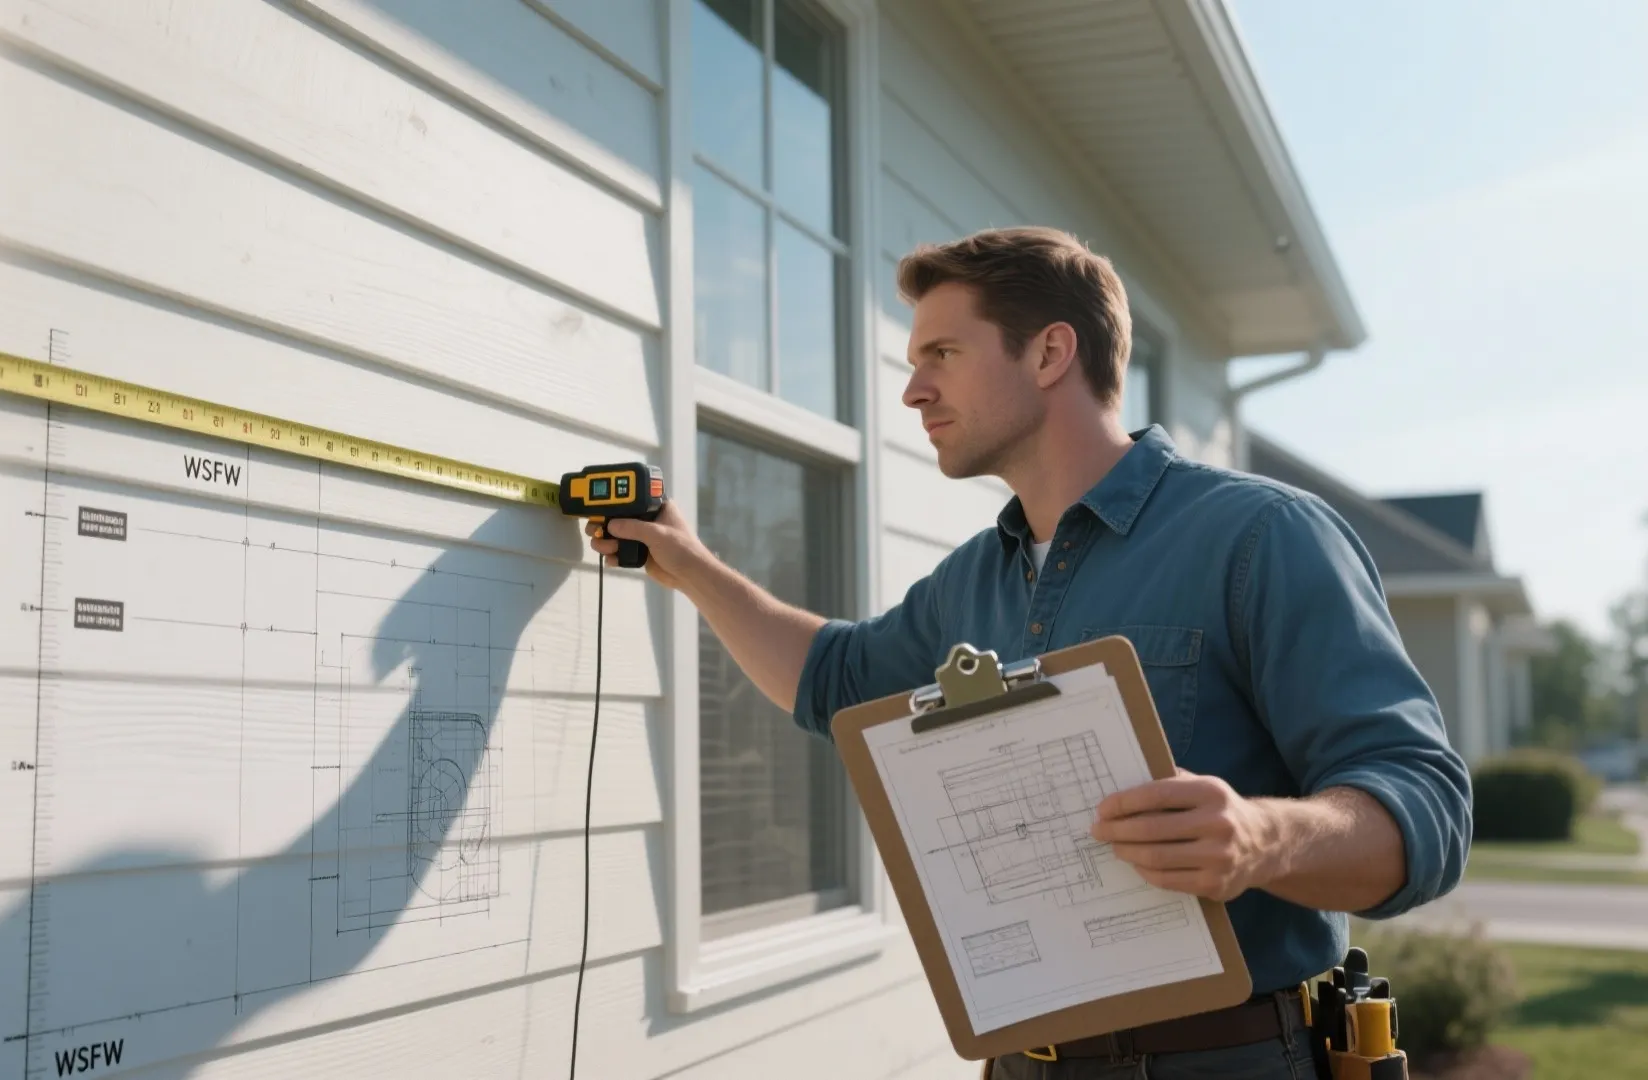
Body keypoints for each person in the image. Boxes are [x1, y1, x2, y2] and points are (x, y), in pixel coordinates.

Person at [588, 225, 1471, 1079]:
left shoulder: (1261, 536)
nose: (913, 392)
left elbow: (1424, 807)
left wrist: (1262, 837)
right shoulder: (971, 583)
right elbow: (832, 679)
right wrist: (690, 566)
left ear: (1051, 354)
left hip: (1225, 1059)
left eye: (942, 355)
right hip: (1022, 1064)